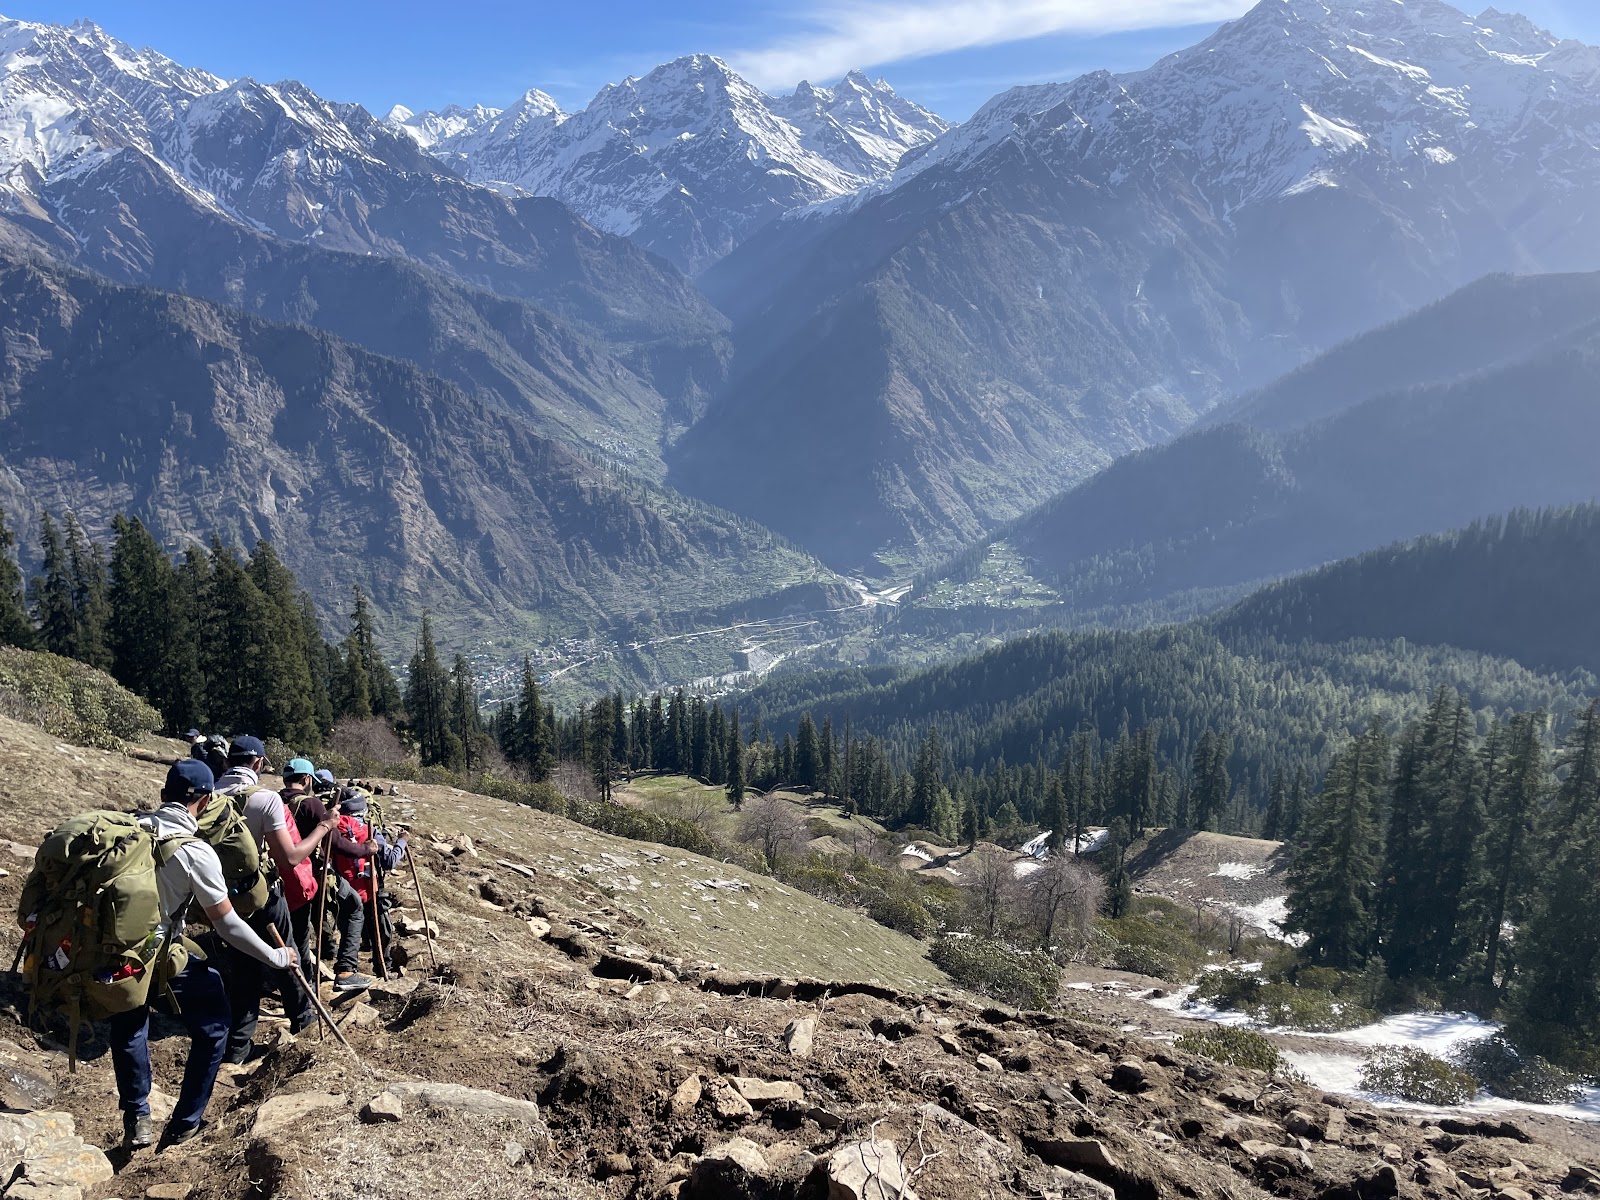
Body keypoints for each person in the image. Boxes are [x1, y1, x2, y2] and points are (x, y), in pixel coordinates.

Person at [111, 760, 297, 1150]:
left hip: (112, 952)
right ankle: (185, 1123)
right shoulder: (196, 852)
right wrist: (276, 957)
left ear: (164, 796)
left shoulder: (127, 830)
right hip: (156, 952)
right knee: (214, 1024)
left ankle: (137, 1115)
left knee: (129, 1022)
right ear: (208, 800)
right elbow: (228, 925)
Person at [213, 741, 336, 1063]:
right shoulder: (264, 799)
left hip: (221, 899)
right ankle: (303, 1022)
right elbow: (290, 857)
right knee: (286, 955)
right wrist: (325, 827)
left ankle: (238, 1047)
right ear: (258, 763)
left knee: (244, 966)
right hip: (262, 894)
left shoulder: (208, 797)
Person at [329, 787, 381, 991]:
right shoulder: (363, 829)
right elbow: (387, 859)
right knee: (354, 913)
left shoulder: (329, 821)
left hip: (314, 878)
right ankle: (346, 971)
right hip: (351, 884)